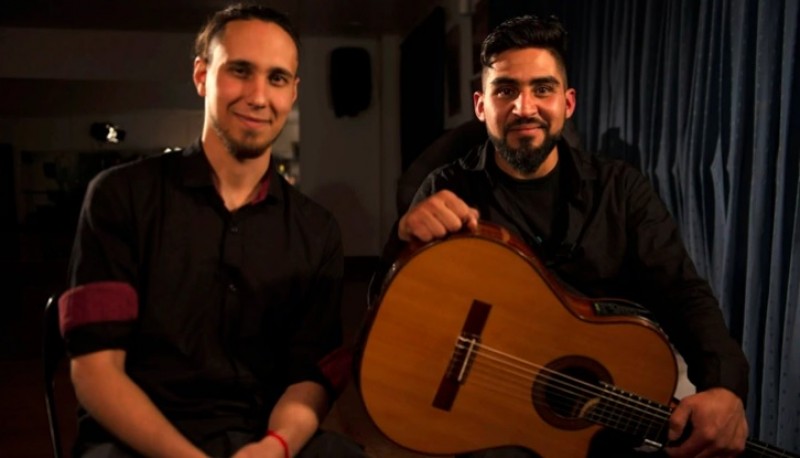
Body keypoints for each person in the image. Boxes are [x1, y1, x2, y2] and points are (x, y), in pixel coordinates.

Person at [378, 15, 749, 458]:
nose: (524, 107)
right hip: (485, 416)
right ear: (481, 106)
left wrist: (725, 386)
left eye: (542, 88)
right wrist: (403, 239)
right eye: (506, 90)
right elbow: (388, 315)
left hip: (599, 414)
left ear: (567, 102)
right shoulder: (445, 189)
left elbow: (682, 292)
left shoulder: (621, 190)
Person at [57, 4, 365, 457]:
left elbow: (311, 376)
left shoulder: (316, 230)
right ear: (202, 75)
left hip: (260, 439)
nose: (259, 96)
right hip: (136, 440)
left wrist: (276, 447)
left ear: (293, 92)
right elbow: (95, 372)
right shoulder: (120, 196)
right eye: (240, 71)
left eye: (277, 78)